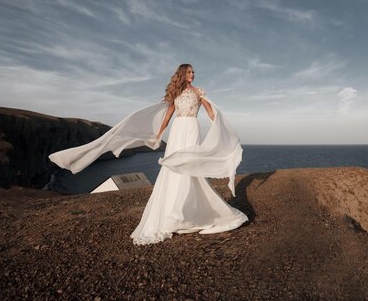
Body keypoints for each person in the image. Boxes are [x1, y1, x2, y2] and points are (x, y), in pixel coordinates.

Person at [48, 63, 249, 245]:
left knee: (188, 164)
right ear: (182, 74)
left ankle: (189, 211)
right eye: (189, 72)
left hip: (191, 127)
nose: (193, 74)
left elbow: (210, 111)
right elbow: (169, 116)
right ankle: (176, 212)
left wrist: (218, 125)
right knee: (173, 167)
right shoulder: (176, 92)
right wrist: (159, 134)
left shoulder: (199, 92)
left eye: (194, 72)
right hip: (179, 129)